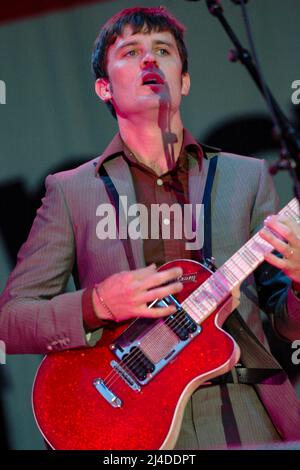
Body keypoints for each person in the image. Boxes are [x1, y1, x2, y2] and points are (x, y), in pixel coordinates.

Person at [0, 6, 300, 449]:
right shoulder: (71, 191)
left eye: (163, 50)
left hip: (244, 411)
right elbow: (12, 321)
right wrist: (98, 303)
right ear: (104, 87)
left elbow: (286, 325)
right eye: (131, 51)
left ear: (184, 81)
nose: (149, 60)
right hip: (125, 426)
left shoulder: (246, 177)